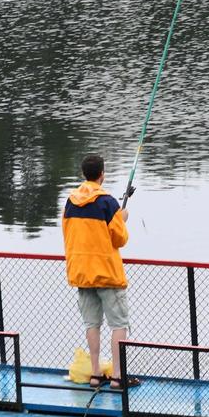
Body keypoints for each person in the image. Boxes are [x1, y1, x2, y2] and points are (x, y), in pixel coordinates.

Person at [62, 155, 140, 391]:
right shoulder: (108, 203)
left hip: (82, 273)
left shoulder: (70, 201)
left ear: (84, 173)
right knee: (118, 324)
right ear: (102, 174)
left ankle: (95, 374)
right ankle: (117, 376)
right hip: (107, 274)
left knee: (91, 323)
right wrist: (122, 219)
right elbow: (120, 239)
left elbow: (67, 233)